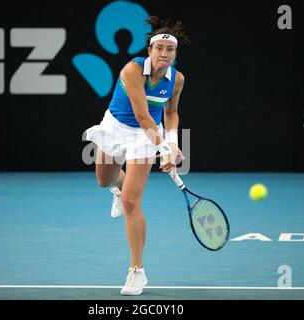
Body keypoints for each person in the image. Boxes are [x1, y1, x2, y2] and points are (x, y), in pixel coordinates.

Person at [85, 16, 190, 296]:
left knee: (133, 201)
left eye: (170, 50)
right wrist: (165, 150)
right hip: (116, 127)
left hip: (145, 138)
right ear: (150, 50)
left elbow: (170, 112)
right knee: (104, 180)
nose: (164, 54)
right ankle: (118, 188)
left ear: (175, 54)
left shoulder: (177, 80)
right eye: (159, 49)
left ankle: (137, 272)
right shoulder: (132, 70)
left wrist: (172, 142)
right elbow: (143, 116)